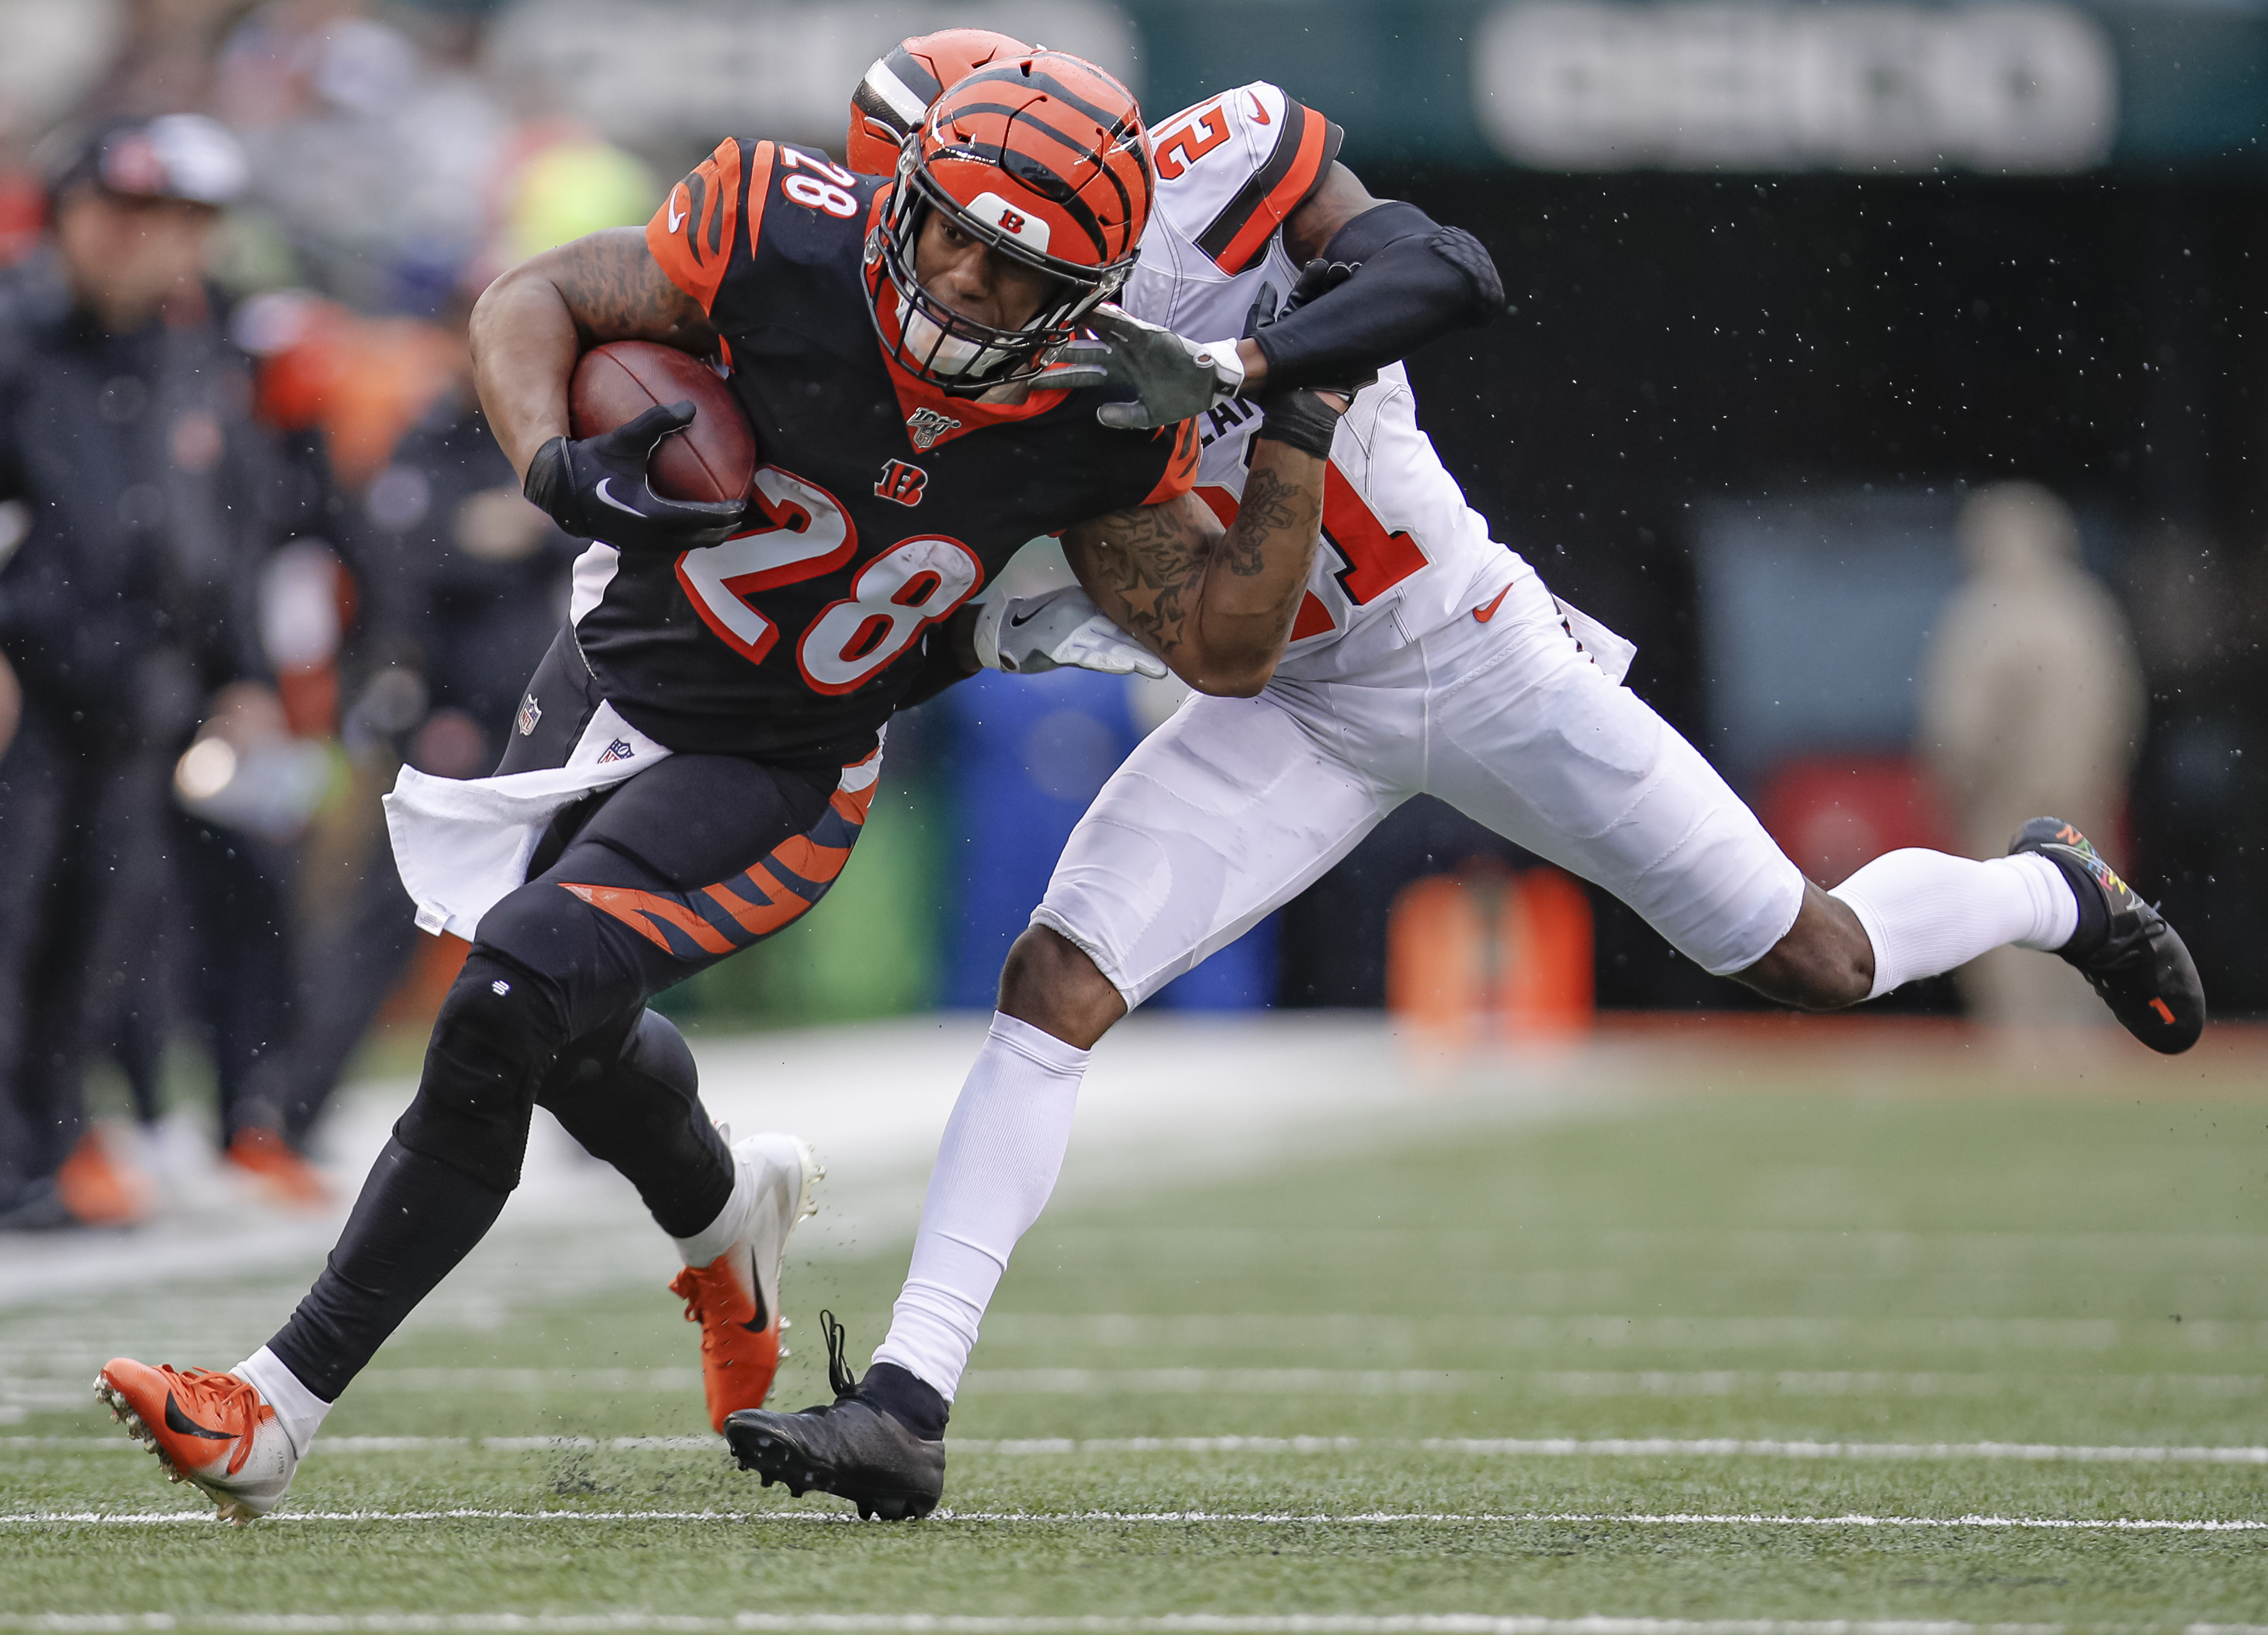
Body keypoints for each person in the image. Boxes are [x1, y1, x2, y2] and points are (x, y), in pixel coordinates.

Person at [720, 35, 2210, 1521]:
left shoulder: (1219, 173)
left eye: (992, 246)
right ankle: (907, 1405)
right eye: (933, 232)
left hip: (1465, 646)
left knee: (1819, 954)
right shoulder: (956, 370)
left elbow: (1448, 271)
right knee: (1055, 980)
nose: (947, 288)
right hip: (1282, 698)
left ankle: (2045, 890)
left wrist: (1254, 363)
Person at [91, 51, 1355, 1524]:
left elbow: (1225, 644)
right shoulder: (777, 233)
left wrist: (1301, 420)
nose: (960, 280)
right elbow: (531, 302)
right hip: (602, 680)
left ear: (1083, 296)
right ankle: (722, 1214)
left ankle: (273, 1407)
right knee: (564, 1035)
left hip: (780, 765)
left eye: (1015, 272)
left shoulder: (1092, 420)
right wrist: (551, 463)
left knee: (509, 994)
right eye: (947, 226)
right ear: (901, 191)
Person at [0, 114, 304, 1229]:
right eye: (126, 212)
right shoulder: (16, 338)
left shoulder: (188, 354)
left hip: (141, 691)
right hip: (24, 686)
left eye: (179, 219)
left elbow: (215, 531)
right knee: (8, 921)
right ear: (68, 213)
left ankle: (34, 1160)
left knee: (96, 934)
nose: (149, 241)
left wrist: (243, 672)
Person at [1920, 482, 2146, 1025]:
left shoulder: (1985, 615)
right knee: (2086, 927)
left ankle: (2023, 1057)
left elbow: (1962, 726)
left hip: (2008, 805)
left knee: (2008, 935)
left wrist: (1952, 788)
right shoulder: (2087, 611)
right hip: (2083, 802)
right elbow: (2125, 708)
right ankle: (2084, 1052)